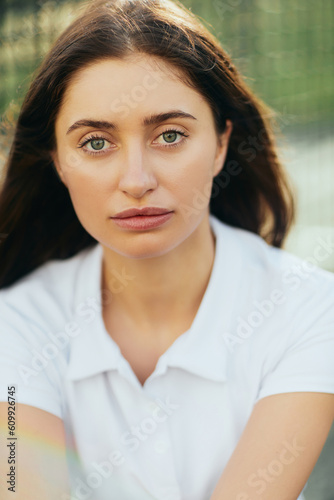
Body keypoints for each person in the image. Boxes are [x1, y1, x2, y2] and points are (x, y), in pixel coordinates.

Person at [0, 0, 333, 498]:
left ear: (222, 144)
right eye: (95, 143)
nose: (136, 181)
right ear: (58, 161)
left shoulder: (310, 311)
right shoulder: (16, 323)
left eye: (170, 135)